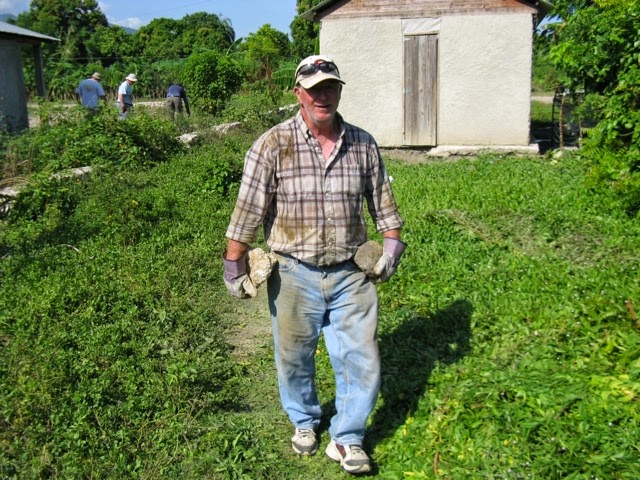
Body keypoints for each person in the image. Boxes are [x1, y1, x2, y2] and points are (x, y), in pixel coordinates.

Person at [223, 54, 405, 475]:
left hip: (351, 273)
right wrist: (234, 264)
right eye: (314, 89)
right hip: (293, 273)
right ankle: (304, 419)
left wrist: (391, 248)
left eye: (330, 87)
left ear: (339, 91)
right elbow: (247, 210)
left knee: (361, 357)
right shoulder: (272, 144)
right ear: (298, 93)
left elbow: (384, 206)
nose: (323, 96)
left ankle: (347, 436)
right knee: (293, 356)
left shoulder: (362, 144)